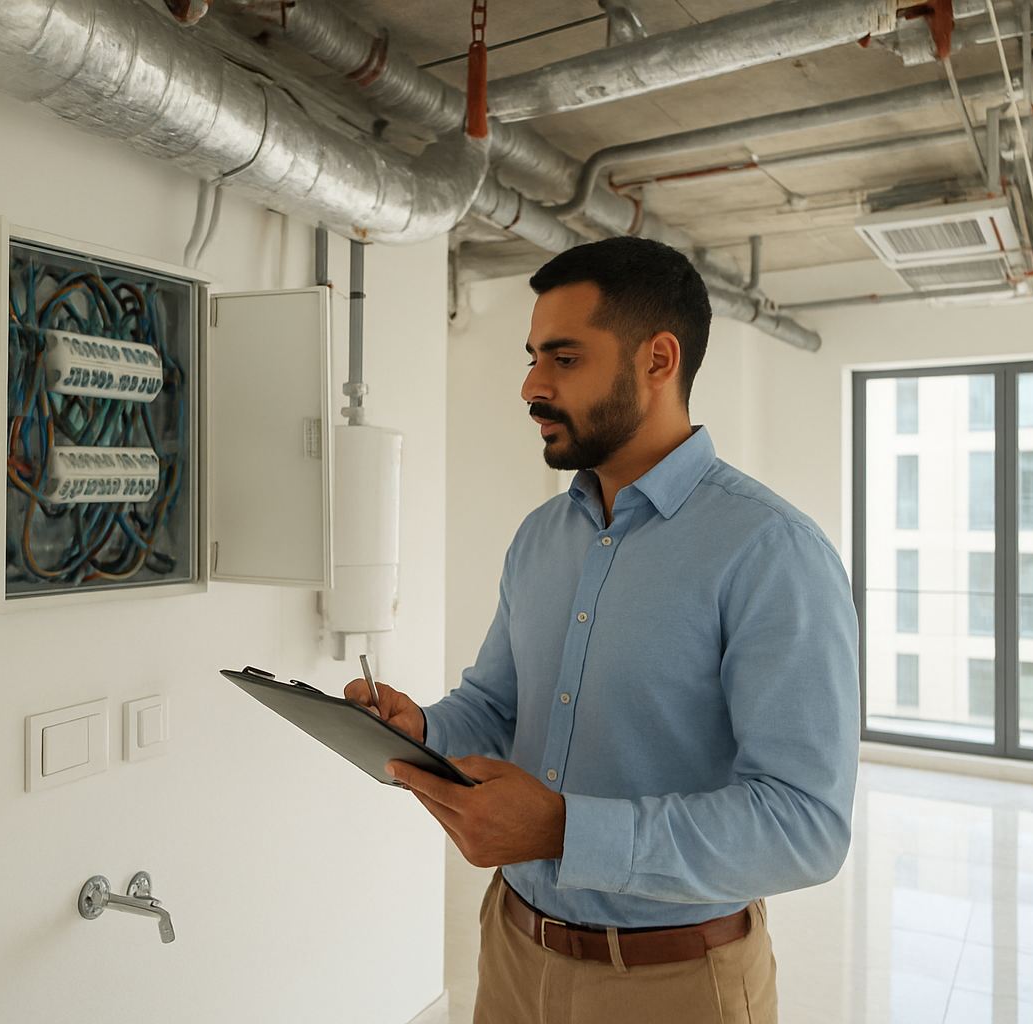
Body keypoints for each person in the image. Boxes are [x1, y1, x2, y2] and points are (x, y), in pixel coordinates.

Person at [345, 236, 858, 1024]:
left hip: (675, 983)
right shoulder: (540, 537)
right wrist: (424, 730)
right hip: (512, 951)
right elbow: (496, 705)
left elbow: (805, 826)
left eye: (564, 358)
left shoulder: (772, 552)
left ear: (658, 360)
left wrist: (564, 829)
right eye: (532, 359)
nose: (531, 386)